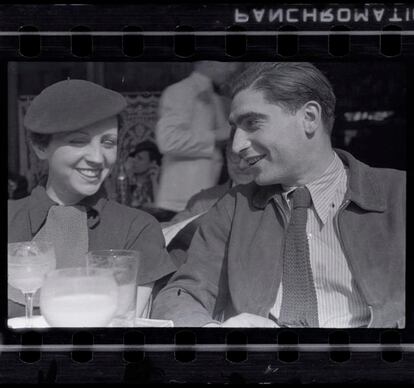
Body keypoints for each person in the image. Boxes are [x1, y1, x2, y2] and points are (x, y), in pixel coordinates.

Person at [151, 62, 406, 328]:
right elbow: (183, 294)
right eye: (235, 128)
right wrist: (210, 333)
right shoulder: (233, 207)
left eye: (252, 123)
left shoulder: (399, 195)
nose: (237, 145)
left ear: (309, 118)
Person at [8, 79, 177, 320]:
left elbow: (120, 327)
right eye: (78, 141)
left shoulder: (137, 228)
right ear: (40, 146)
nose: (98, 158)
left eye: (108, 142)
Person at [154, 61, 240, 215]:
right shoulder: (179, 91)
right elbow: (168, 140)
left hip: (209, 194)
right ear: (209, 63)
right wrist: (217, 136)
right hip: (182, 198)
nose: (232, 68)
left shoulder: (215, 96)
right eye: (227, 63)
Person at [125, 140, 162, 209]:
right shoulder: (126, 180)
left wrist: (154, 181)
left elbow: (161, 207)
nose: (134, 161)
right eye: (135, 157)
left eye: (140, 158)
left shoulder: (159, 183)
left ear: (152, 163)